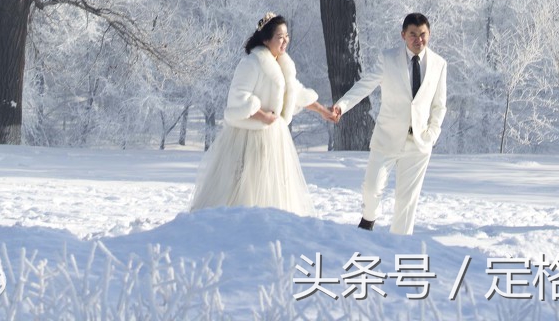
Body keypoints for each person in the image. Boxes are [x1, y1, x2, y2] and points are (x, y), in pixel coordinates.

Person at [190, 12, 336, 216]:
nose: (285, 40)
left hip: (274, 138)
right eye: (280, 36)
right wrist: (262, 116)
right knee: (245, 188)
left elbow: (296, 93)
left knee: (272, 188)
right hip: (248, 137)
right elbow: (237, 100)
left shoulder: (284, 65)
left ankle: (271, 226)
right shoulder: (252, 63)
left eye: (286, 35)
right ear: (266, 39)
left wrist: (323, 111)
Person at [333, 12, 447, 235]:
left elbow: (439, 105)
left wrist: (432, 134)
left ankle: (399, 249)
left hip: (419, 143)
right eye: (413, 34)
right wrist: (342, 106)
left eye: (423, 34)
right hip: (387, 137)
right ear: (403, 35)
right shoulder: (388, 59)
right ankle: (369, 220)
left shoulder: (439, 64)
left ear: (429, 34)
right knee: (371, 188)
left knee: (406, 202)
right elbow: (365, 85)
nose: (418, 39)